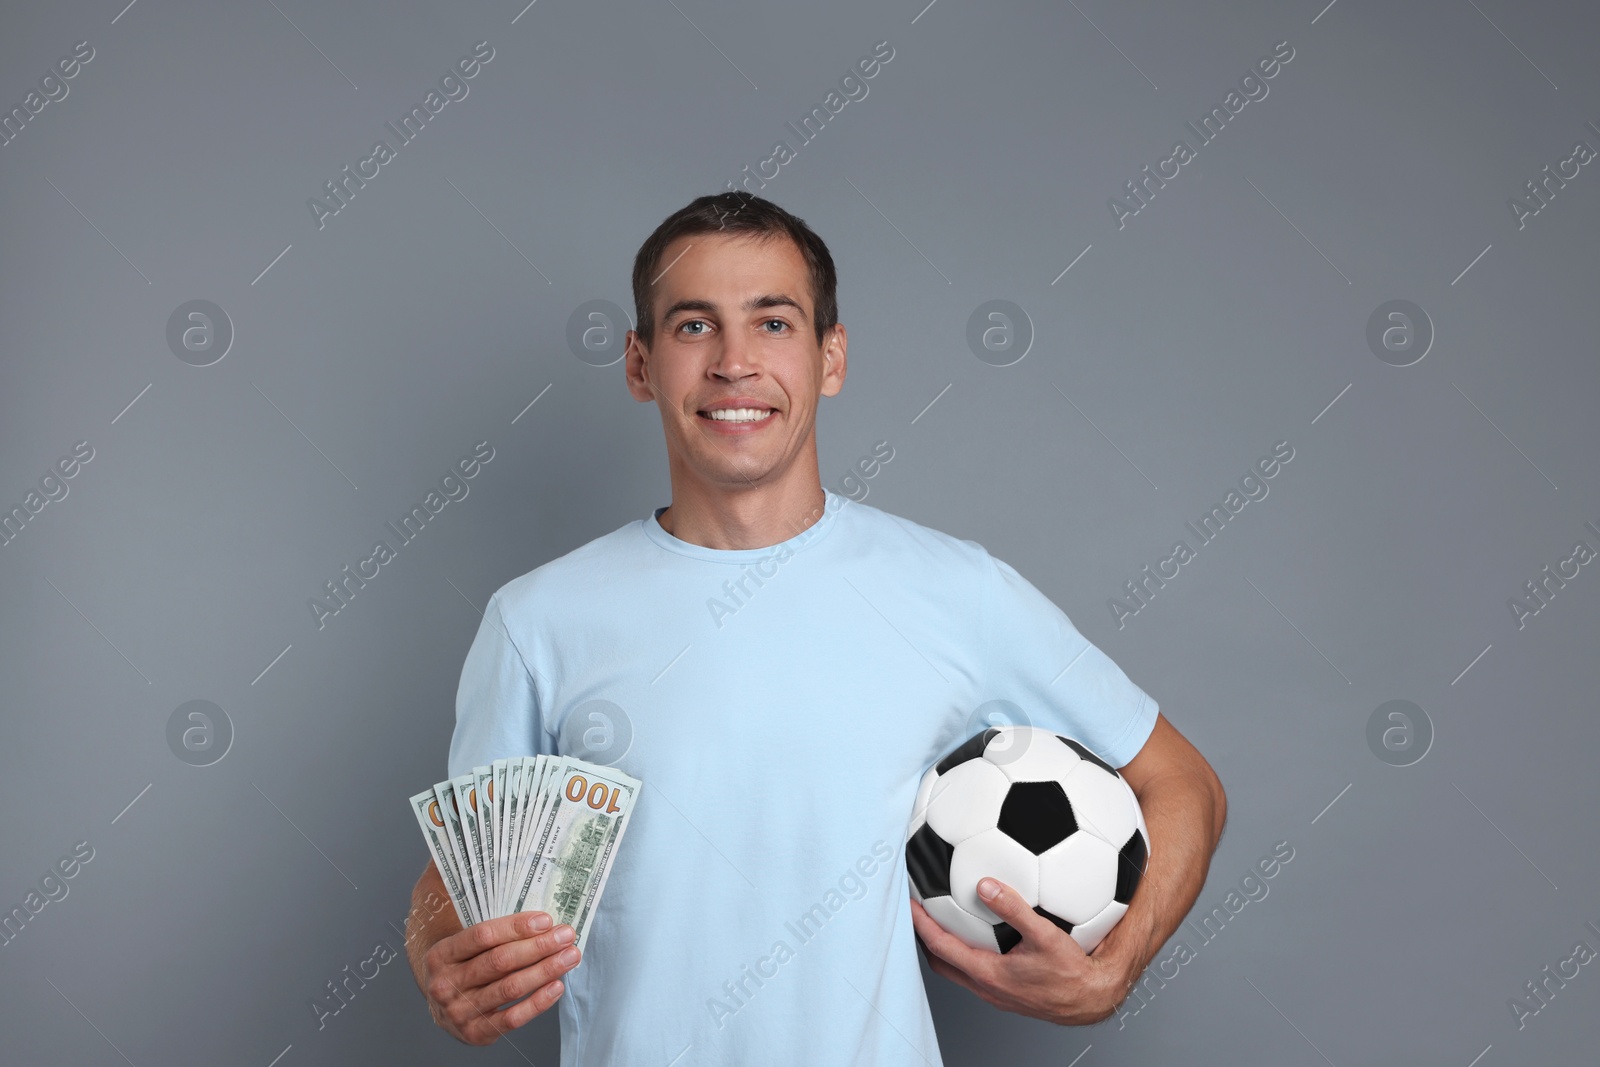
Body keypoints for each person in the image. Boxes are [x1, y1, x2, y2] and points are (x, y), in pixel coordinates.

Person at [403, 192, 1227, 1064]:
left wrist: (1114, 968)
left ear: (830, 357)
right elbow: (459, 879)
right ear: (640, 366)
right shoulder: (539, 620)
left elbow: (1184, 783)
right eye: (693, 327)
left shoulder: (958, 591)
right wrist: (432, 955)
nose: (733, 362)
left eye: (773, 323)